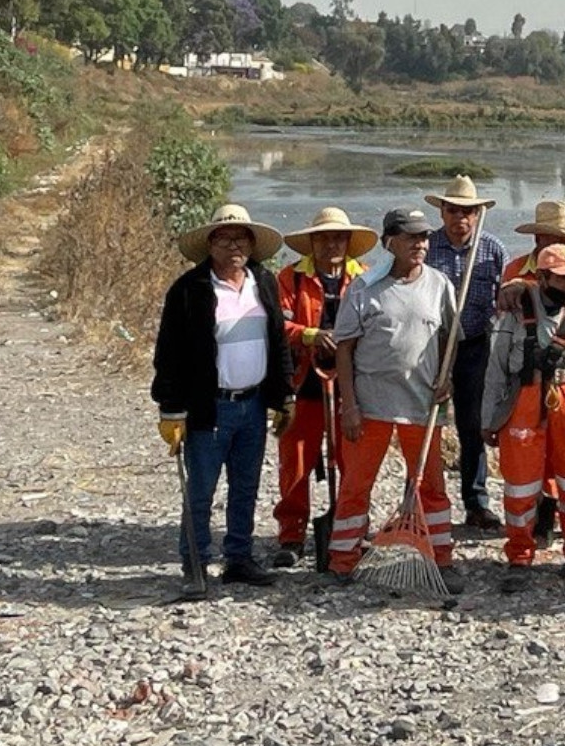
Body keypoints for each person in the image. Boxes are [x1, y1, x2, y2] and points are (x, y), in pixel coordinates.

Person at [152, 204, 294, 598]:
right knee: (201, 490)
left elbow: (279, 342)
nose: (234, 245)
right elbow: (168, 354)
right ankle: (195, 565)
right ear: (210, 245)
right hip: (209, 406)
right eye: (225, 238)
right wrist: (170, 409)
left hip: (252, 406)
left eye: (242, 238)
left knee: (246, 487)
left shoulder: (262, 282)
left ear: (252, 245)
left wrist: (284, 396)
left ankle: (239, 558)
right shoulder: (189, 289)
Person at [327, 207, 464, 594]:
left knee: (432, 486)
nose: (420, 244)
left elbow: (449, 340)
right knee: (356, 484)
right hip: (370, 406)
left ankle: (442, 559)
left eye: (423, 237)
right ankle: (342, 559)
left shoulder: (441, 285)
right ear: (391, 242)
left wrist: (447, 377)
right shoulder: (364, 287)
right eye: (410, 238)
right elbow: (344, 348)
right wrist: (349, 404)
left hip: (423, 404)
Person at [483, 243, 565, 592]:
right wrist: (489, 419)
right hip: (525, 398)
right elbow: (497, 366)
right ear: (543, 276)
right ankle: (519, 556)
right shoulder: (515, 309)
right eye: (562, 279)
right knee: (520, 483)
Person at [270, 207, 378, 568]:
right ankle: (291, 534)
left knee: (351, 461)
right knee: (296, 462)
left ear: (349, 242)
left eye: (338, 237)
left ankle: (350, 528)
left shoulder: (364, 278)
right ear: (312, 242)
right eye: (324, 237)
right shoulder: (290, 279)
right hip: (303, 384)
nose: (332, 243)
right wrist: (309, 335)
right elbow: (276, 327)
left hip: (350, 385)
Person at [423, 176, 508, 533]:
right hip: (431, 346)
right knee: (426, 421)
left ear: (477, 214)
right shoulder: (426, 247)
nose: (461, 217)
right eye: (453, 210)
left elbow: (503, 297)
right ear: (442, 212)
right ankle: (426, 501)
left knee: (473, 424)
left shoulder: (492, 248)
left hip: (475, 345)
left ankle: (476, 503)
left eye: (468, 211)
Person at [505, 199, 565, 547]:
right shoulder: (515, 270)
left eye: (564, 238)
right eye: (550, 236)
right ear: (537, 237)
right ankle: (531, 527)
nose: (557, 244)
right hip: (527, 377)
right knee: (528, 458)